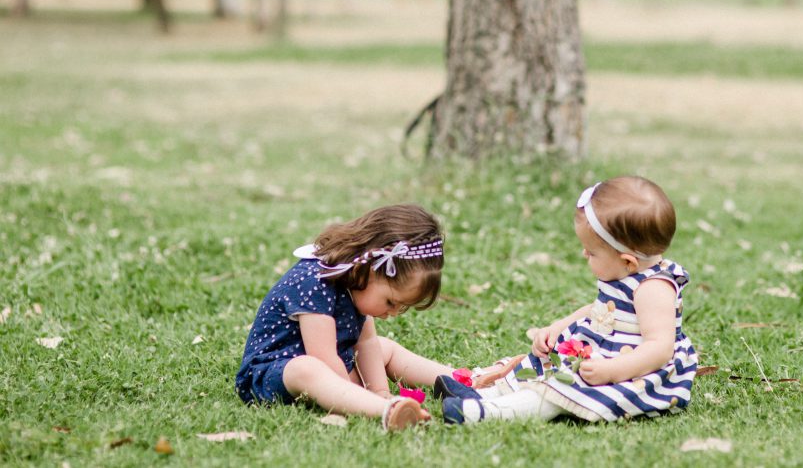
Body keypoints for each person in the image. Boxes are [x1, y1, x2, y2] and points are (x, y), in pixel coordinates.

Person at [435, 176, 699, 424]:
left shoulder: (653, 289)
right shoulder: (629, 272)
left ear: (627, 261)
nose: (584, 254)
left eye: (592, 252)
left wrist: (612, 370)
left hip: (634, 371)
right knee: (547, 365)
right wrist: (559, 327)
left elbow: (659, 347)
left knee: (564, 386)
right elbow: (599, 310)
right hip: (604, 354)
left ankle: (488, 412)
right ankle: (489, 394)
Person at [236, 204, 459, 430]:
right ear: (368, 269)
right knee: (308, 367)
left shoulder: (356, 284)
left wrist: (380, 391)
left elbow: (367, 342)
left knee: (384, 348)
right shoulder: (315, 281)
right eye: (391, 302)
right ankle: (386, 411)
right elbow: (323, 358)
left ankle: (461, 379)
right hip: (276, 374)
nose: (392, 313)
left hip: (334, 369)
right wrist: (357, 395)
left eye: (402, 307)